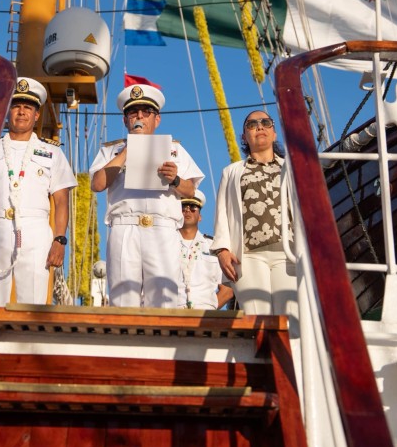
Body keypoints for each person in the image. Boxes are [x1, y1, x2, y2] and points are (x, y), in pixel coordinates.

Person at [89, 83, 204, 307]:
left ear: (156, 120)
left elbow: (191, 190)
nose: (139, 116)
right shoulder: (110, 151)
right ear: (125, 120)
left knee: (164, 297)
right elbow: (98, 184)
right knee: (122, 298)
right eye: (133, 112)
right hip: (125, 227)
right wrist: (126, 153)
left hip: (162, 228)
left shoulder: (175, 149)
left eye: (146, 112)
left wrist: (176, 179)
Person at [0, 77, 76, 305]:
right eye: (16, 106)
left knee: (33, 305)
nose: (21, 112)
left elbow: (62, 201)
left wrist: (60, 240)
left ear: (36, 115)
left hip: (36, 230)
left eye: (28, 107)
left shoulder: (52, 153)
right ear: (8, 111)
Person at [211, 110, 298, 315]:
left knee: (291, 319)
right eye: (252, 124)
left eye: (266, 122)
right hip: (248, 256)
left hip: (288, 252)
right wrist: (222, 251)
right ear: (244, 137)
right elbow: (222, 213)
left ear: (274, 133)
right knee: (257, 319)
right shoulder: (231, 172)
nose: (259, 127)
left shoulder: (292, 169)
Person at [178, 190, 234, 310]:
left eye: (193, 207)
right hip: (172, 311)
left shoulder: (214, 247)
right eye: (183, 207)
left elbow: (228, 289)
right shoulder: (165, 245)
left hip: (205, 314)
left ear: (200, 217)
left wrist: (209, 309)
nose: (187, 210)